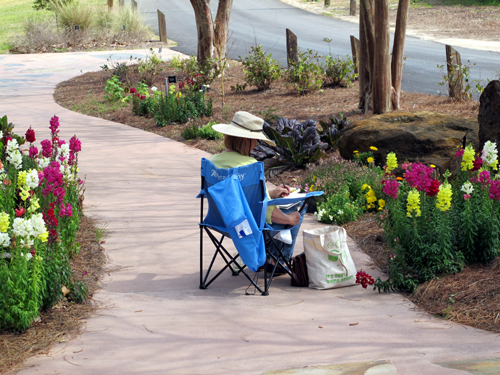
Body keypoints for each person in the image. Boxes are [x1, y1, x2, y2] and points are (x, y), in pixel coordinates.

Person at [210, 111, 306, 273]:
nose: (256, 145)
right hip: (250, 226)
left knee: (270, 208)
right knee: (298, 205)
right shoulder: (250, 166)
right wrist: (289, 219)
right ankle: (275, 261)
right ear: (246, 140)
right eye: (255, 140)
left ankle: (262, 255)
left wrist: (272, 192)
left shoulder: (212, 163)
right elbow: (269, 213)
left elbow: (235, 195)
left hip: (221, 222)